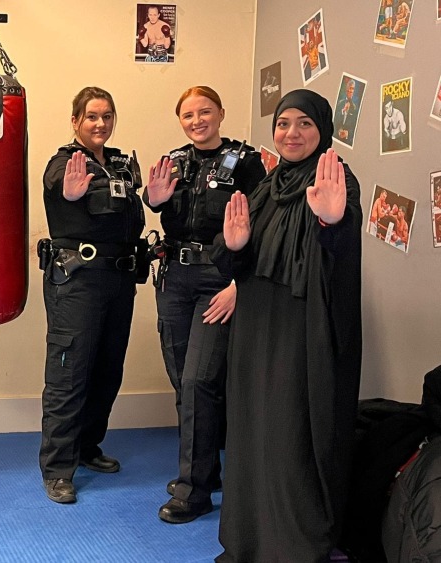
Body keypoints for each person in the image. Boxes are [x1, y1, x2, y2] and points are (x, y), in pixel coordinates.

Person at [214, 89, 362, 561]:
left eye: (304, 124)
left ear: (323, 131)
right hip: (256, 326)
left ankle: (294, 545)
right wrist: (235, 247)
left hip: (303, 329)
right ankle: (250, 538)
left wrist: (333, 222)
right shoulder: (267, 186)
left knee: (292, 430)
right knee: (252, 429)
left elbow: (341, 258)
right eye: (283, 124)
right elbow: (235, 264)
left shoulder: (334, 178)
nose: (291, 133)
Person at [142, 86, 265, 524]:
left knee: (198, 381)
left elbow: (262, 225)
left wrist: (239, 283)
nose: (197, 121)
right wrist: (153, 201)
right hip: (174, 278)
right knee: (184, 380)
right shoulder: (172, 162)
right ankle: (207, 472)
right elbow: (159, 208)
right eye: (188, 115)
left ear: (221, 114)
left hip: (218, 279)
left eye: (205, 112)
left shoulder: (246, 161)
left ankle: (193, 492)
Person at [39, 86, 145, 504]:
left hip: (119, 281)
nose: (100, 124)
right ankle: (57, 468)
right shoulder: (65, 162)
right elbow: (57, 186)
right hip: (77, 281)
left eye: (106, 116)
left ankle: (87, 447)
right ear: (75, 122)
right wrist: (68, 192)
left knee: (107, 369)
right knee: (69, 373)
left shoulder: (120, 164)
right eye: (91, 117)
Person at [334, 78, 360, 143]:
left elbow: (356, 127)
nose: (351, 91)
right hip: (336, 138)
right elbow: (334, 120)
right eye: (349, 89)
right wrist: (343, 110)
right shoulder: (339, 103)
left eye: (352, 89)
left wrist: (347, 133)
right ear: (346, 90)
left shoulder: (355, 108)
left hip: (348, 141)